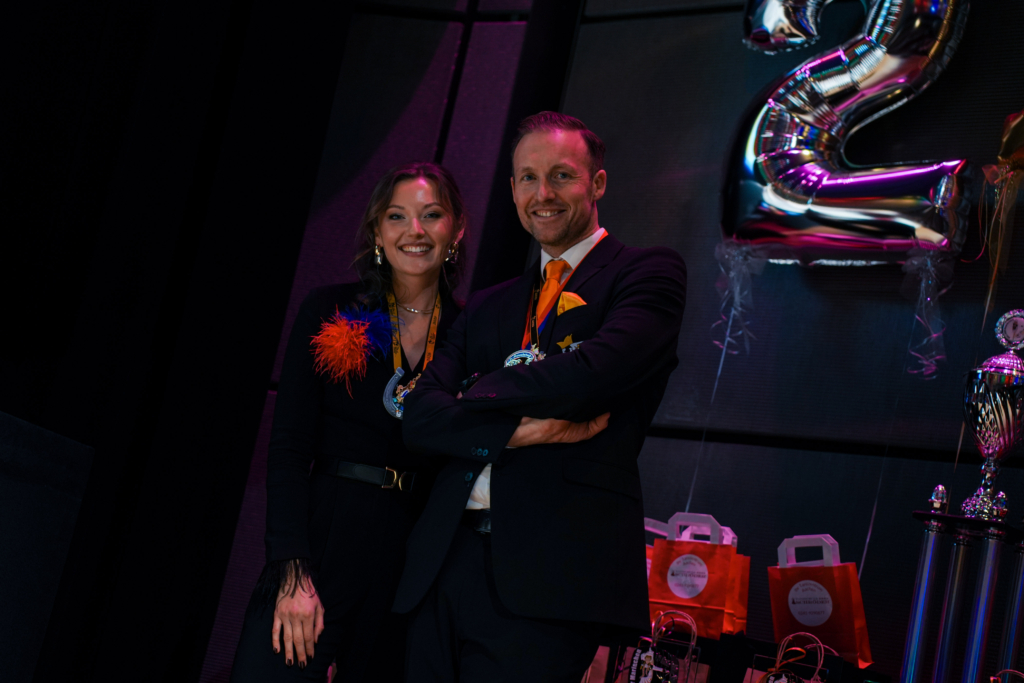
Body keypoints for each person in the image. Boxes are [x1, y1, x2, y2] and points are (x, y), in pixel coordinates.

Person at [396, 112, 687, 682]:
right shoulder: (489, 303)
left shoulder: (647, 273)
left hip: (552, 578)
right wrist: (517, 429)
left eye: (562, 176)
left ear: (597, 183)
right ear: (511, 190)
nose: (543, 194)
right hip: (443, 562)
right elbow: (421, 416)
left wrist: (471, 392)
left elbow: (593, 376)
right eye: (528, 178)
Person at [230, 162, 467, 682]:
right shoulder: (329, 309)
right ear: (377, 232)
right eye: (397, 216)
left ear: (456, 230)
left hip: (409, 560)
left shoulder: (470, 334)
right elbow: (288, 450)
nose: (415, 230)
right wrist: (292, 572)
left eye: (432, 215)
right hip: (323, 541)